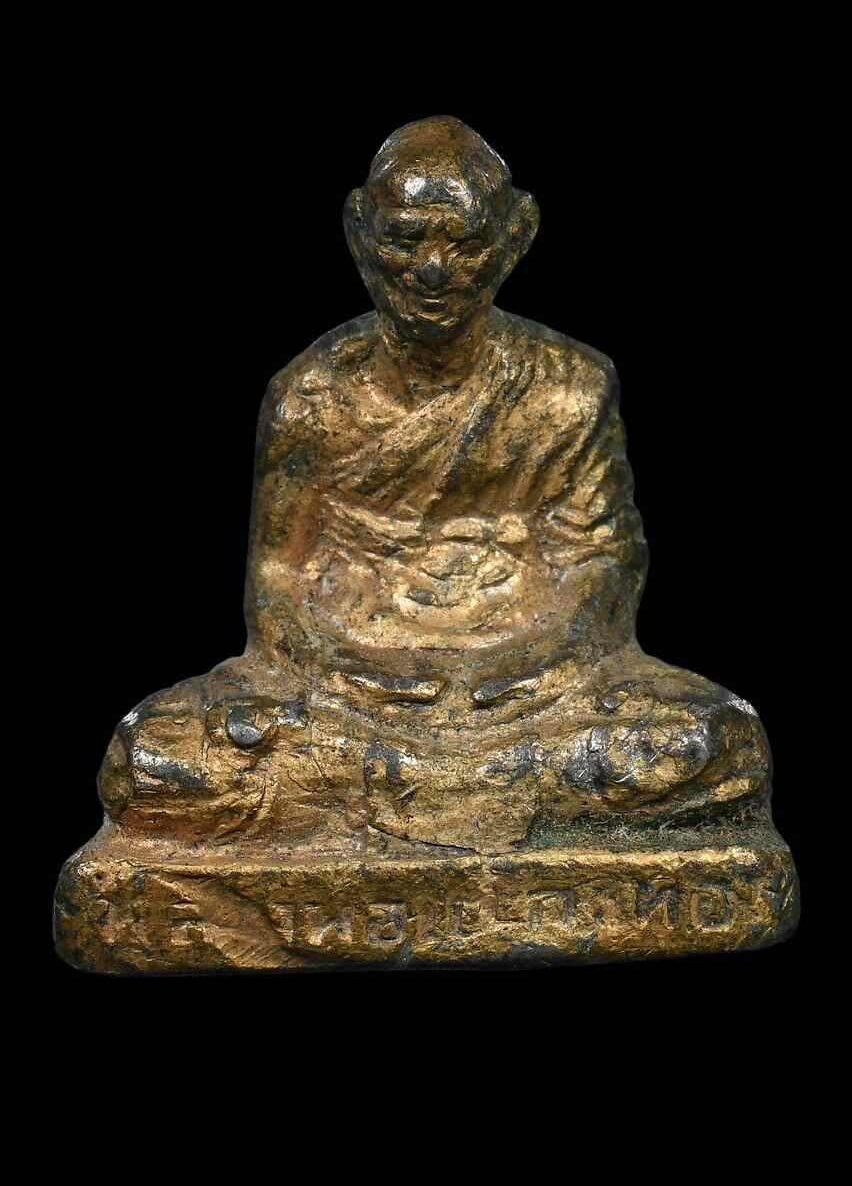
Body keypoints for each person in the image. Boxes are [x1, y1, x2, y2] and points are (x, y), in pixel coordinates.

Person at [98, 117, 770, 856]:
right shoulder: (311, 396)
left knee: (709, 740)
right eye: (405, 239)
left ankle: (410, 805)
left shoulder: (569, 389)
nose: (433, 271)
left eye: (466, 243)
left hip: (533, 691)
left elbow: (600, 566)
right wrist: (351, 673)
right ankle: (469, 802)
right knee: (156, 757)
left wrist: (516, 669)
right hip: (349, 696)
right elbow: (278, 578)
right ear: (359, 232)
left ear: (516, 236)